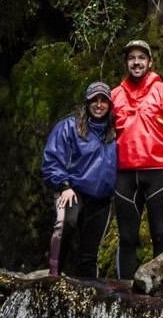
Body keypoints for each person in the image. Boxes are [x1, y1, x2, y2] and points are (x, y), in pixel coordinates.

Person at [111, 39, 163, 279]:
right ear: (126, 63)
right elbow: (102, 137)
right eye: (132, 58)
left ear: (150, 62)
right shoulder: (114, 96)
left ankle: (160, 295)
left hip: (158, 174)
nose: (136, 62)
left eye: (141, 58)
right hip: (124, 176)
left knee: (160, 234)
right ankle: (123, 295)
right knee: (126, 237)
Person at [41, 81, 117, 278]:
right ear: (87, 103)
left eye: (103, 101)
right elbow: (52, 159)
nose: (99, 105)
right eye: (94, 100)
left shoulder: (115, 131)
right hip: (72, 190)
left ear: (109, 105)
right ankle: (54, 274)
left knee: (91, 251)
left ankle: (87, 290)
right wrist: (64, 185)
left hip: (101, 198)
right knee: (66, 224)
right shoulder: (68, 127)